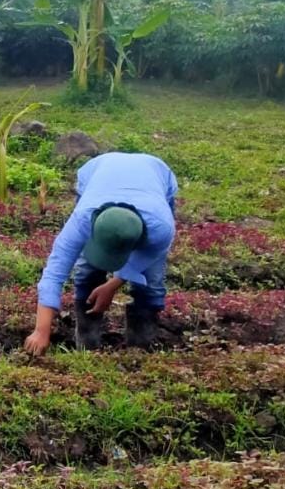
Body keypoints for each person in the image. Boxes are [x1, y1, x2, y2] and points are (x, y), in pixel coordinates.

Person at [24, 152, 178, 355]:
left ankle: (140, 351)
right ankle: (87, 348)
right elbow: (54, 273)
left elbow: (147, 257)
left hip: (155, 176)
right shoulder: (82, 220)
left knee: (151, 282)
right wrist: (41, 331)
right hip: (98, 171)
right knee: (87, 272)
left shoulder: (161, 228)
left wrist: (113, 285)